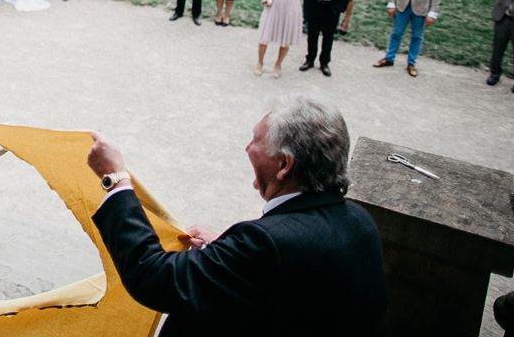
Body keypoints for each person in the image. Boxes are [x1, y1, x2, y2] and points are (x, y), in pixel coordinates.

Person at [87, 94, 387, 336]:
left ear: (284, 165)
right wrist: (227, 251)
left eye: (256, 141)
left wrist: (115, 179)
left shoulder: (265, 245)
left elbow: (155, 277)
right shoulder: (361, 222)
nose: (247, 147)